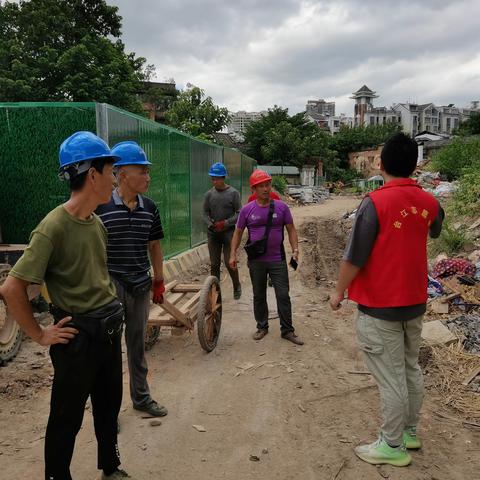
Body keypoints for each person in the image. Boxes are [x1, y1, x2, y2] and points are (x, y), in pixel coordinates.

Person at [0, 131, 130, 479]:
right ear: (92, 175)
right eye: (111, 171)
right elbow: (12, 287)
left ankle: (111, 466)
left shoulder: (96, 224)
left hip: (107, 332)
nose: (114, 179)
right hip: (77, 339)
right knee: (66, 418)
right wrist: (40, 334)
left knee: (108, 407)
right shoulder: (53, 227)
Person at [330, 132, 444, 467]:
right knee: (409, 368)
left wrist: (338, 292)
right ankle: (408, 431)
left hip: (381, 305)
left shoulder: (375, 203)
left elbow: (354, 258)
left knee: (390, 376)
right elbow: (435, 229)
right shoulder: (429, 201)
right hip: (414, 300)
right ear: (415, 164)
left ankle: (392, 445)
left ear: (381, 164)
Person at [96, 141, 167, 419]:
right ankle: (108, 412)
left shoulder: (150, 207)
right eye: (143, 171)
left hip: (140, 285)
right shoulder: (100, 208)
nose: (148, 177)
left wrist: (159, 280)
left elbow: (155, 245)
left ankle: (141, 398)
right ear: (122, 173)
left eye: (148, 172)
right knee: (109, 353)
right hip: (111, 286)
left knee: (137, 346)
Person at [229, 169, 303, 345]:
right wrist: (232, 253)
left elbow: (291, 229)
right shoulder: (247, 210)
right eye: (261, 185)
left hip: (277, 259)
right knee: (259, 294)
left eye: (267, 184)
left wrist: (295, 249)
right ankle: (262, 326)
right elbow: (238, 233)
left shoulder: (282, 207)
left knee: (283, 294)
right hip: (256, 261)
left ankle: (287, 330)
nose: (265, 188)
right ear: (254, 189)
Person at [203, 162, 242, 299]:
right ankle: (216, 291)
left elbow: (239, 213)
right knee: (214, 264)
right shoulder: (209, 195)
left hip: (228, 233)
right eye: (212, 178)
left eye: (217, 178)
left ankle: (236, 285)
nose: (214, 181)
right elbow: (205, 213)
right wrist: (210, 223)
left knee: (228, 261)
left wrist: (225, 223)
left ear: (224, 177)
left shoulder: (233, 193)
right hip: (213, 234)